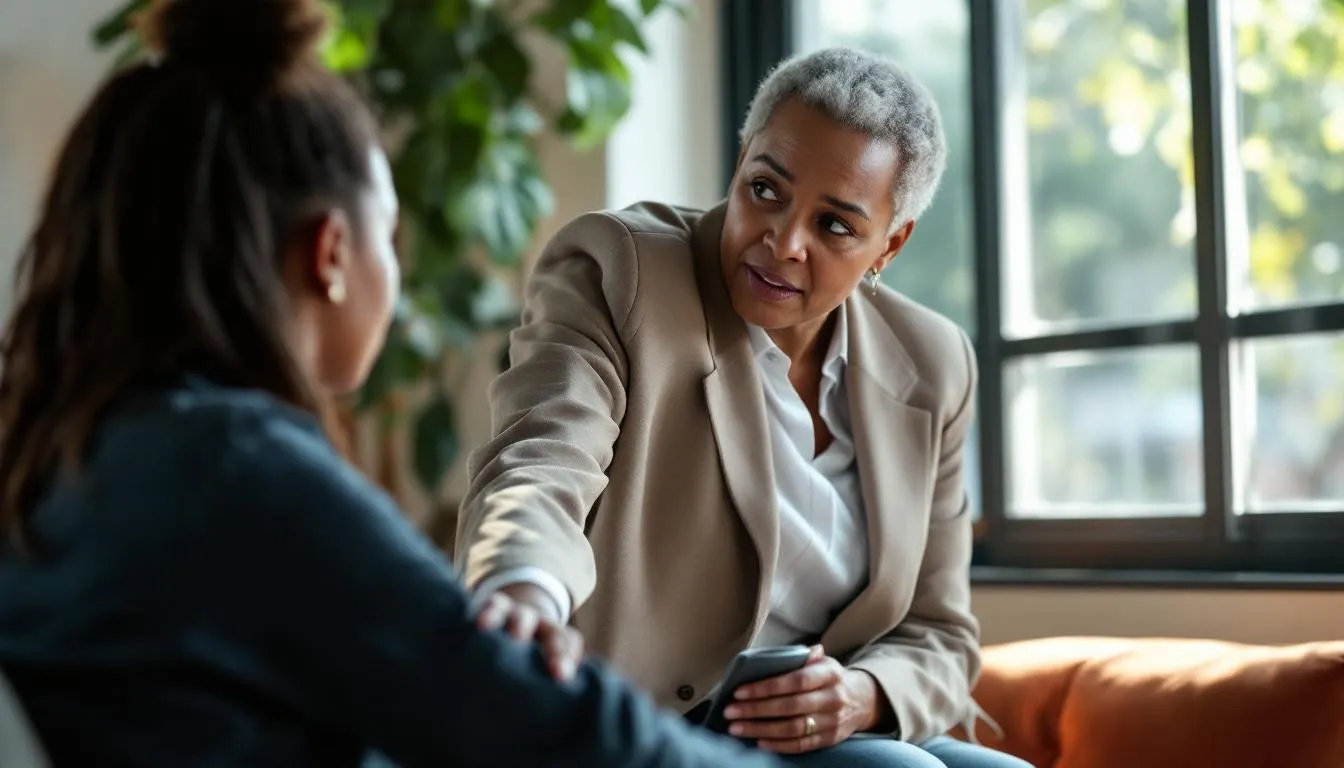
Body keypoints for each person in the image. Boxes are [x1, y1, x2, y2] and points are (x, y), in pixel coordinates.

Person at [0, 1, 791, 766]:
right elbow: (548, 728)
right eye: (390, 231)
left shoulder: (61, 453)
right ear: (331, 254)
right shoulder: (232, 468)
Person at [456, 48, 1032, 768]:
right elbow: (542, 457)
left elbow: (940, 632)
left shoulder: (933, 362)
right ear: (740, 162)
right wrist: (522, 590)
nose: (783, 243)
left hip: (825, 729)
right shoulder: (622, 270)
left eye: (835, 226)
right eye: (766, 189)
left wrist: (861, 695)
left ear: (891, 243)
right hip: (643, 724)